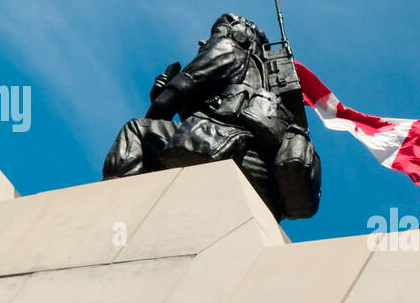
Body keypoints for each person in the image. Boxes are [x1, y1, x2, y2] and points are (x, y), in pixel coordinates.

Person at [102, 12, 320, 220]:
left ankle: (111, 207)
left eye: (217, 31)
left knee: (136, 130)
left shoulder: (228, 47)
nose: (203, 40)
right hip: (263, 182)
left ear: (238, 34)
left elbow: (171, 98)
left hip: (220, 150)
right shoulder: (270, 82)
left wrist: (163, 98)